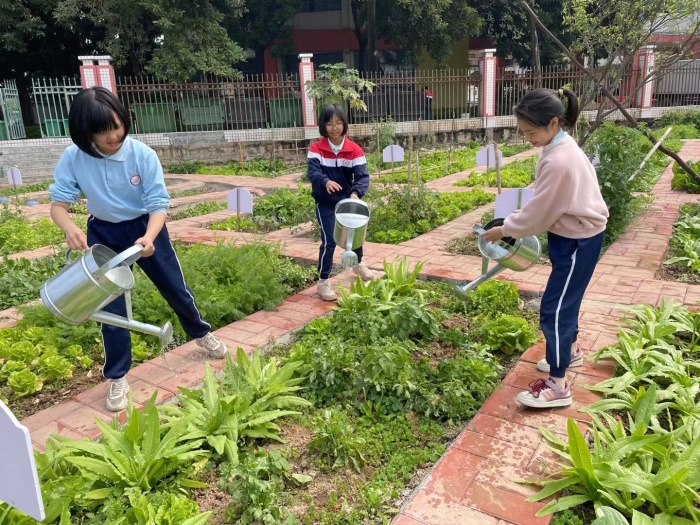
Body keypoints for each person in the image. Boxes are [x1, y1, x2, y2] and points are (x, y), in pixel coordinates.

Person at [48, 87, 228, 412]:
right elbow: (58, 204)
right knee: (111, 309)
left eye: (117, 125)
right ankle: (117, 377)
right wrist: (69, 227)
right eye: (103, 131)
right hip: (103, 233)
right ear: (85, 132)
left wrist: (149, 237)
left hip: (146, 228)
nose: (113, 136)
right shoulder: (73, 158)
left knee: (175, 288)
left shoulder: (142, 155)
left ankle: (201, 333)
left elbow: (158, 204)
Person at [481, 88, 609, 409]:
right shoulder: (558, 145)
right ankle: (571, 351)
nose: (527, 138)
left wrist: (504, 229)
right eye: (523, 132)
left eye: (530, 132)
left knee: (555, 308)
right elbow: (545, 197)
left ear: (553, 123)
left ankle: (558, 384)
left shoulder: (560, 159)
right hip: (575, 234)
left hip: (578, 240)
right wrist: (519, 211)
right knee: (567, 299)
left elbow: (540, 214)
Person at [307, 104, 372, 301]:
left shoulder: (354, 150)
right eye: (329, 123)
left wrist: (355, 194)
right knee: (329, 240)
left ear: (344, 124)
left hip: (347, 202)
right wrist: (324, 181)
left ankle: (357, 263)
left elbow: (362, 176)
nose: (334, 127)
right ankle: (323, 282)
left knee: (355, 234)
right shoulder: (316, 149)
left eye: (338, 123)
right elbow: (313, 172)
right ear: (323, 126)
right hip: (325, 203)